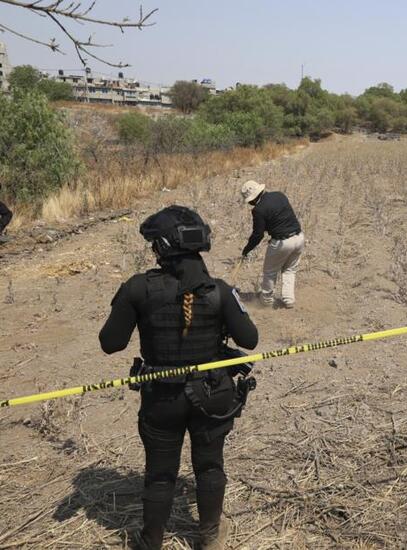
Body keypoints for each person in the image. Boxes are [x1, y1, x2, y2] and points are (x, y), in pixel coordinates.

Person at [99, 205, 259, 550]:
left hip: (162, 400)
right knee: (210, 466)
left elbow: (110, 344)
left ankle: (150, 542)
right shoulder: (220, 290)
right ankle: (210, 538)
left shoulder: (138, 288)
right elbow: (250, 339)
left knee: (160, 473)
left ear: (162, 248)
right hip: (214, 396)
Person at [240, 180, 305, 309]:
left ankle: (266, 300)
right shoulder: (279, 195)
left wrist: (247, 250)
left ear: (253, 198)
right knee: (290, 269)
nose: (250, 204)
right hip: (299, 238)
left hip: (282, 243)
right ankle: (289, 299)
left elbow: (258, 234)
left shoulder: (258, 210)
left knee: (270, 272)